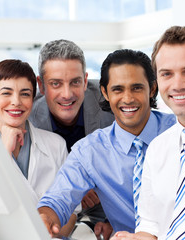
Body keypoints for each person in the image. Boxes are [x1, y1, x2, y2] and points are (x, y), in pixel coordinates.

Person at [37, 49, 176, 239]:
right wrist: (46, 217)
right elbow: (58, 198)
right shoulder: (90, 151)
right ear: (105, 92)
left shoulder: (179, 131)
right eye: (118, 89)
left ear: (152, 89)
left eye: (136, 88)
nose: (128, 98)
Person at [111, 26, 185, 240]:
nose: (178, 84)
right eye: (167, 74)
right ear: (157, 82)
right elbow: (151, 225)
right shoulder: (158, 148)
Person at [28, 39, 115, 229]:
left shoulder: (111, 104)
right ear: (41, 86)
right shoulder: (28, 117)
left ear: (85, 81)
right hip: (55, 216)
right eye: (56, 84)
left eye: (75, 82)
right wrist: (76, 189)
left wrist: (112, 222)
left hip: (109, 216)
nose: (67, 94)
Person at [0, 59, 76, 236]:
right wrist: (4, 151)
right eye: (6, 93)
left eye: (25, 94)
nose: (16, 102)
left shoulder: (56, 144)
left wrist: (49, 232)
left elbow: (72, 211)